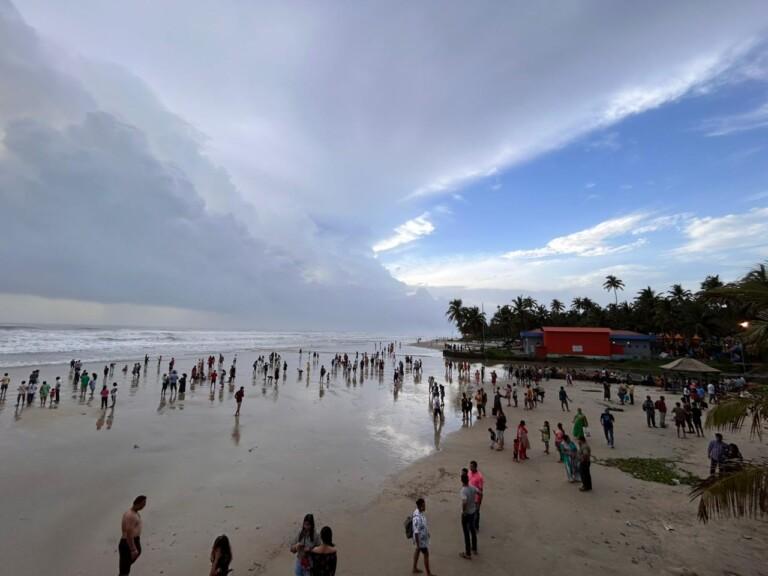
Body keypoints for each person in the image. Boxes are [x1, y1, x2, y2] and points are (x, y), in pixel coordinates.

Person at [119, 495, 146, 576]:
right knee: (124, 572)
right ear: (138, 503)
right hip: (128, 544)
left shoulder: (134, 513)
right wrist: (133, 549)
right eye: (143, 504)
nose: (144, 506)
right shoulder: (130, 515)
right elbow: (129, 533)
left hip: (132, 542)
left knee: (125, 569)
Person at [412, 498, 434, 576]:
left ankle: (414, 568)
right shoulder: (417, 518)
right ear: (421, 506)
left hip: (421, 538)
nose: (425, 507)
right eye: (424, 505)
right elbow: (416, 532)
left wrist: (427, 532)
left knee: (417, 551)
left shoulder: (418, 512)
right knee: (426, 554)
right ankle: (428, 573)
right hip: (421, 540)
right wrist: (418, 544)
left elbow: (422, 526)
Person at [459, 471, 478, 559]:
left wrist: (464, 511)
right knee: (473, 530)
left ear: (462, 481)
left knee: (466, 533)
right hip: (473, 511)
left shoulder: (463, 490)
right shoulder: (472, 487)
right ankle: (474, 548)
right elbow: (480, 493)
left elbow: (464, 502)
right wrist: (478, 503)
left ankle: (468, 553)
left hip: (467, 513)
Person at [468, 461, 484, 531]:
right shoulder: (469, 472)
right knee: (470, 511)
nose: (470, 467)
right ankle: (470, 525)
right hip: (469, 496)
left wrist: (479, 501)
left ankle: (476, 527)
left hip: (476, 498)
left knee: (476, 512)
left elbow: (481, 490)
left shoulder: (479, 477)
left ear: (475, 467)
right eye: (470, 466)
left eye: (471, 466)